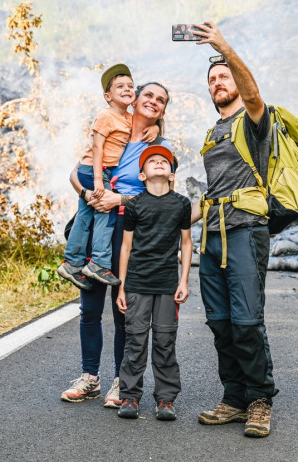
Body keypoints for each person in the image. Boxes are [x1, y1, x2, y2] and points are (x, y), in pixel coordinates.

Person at [189, 22, 276, 438]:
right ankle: (235, 397)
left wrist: (223, 47)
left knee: (246, 320)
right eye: (212, 79)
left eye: (223, 76)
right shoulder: (213, 133)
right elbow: (212, 192)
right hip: (213, 235)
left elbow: (255, 94)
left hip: (246, 231)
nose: (218, 82)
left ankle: (260, 400)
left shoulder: (253, 120)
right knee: (220, 322)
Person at [60, 82, 171, 409]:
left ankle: (122, 381)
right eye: (148, 95)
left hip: (131, 233)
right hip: (99, 226)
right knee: (89, 308)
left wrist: (117, 198)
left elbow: (161, 195)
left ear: (162, 112)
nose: (153, 102)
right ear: (134, 99)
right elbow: (74, 172)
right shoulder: (113, 131)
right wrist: (91, 196)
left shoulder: (159, 145)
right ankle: (89, 378)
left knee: (124, 311)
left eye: (160, 101)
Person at [114, 145, 192, 421]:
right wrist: (121, 286)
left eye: (164, 162)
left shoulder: (182, 204)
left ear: (172, 175)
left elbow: (186, 242)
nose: (159, 163)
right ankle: (130, 396)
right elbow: (126, 247)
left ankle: (166, 400)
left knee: (164, 341)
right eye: (152, 161)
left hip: (168, 285)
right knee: (135, 341)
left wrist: (183, 281)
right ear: (142, 175)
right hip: (136, 284)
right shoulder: (134, 205)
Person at [58, 64, 137, 288]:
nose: (127, 89)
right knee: (105, 213)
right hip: (94, 169)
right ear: (107, 96)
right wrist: (99, 181)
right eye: (120, 86)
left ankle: (72, 263)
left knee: (85, 216)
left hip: (97, 171)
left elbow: (141, 129)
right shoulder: (106, 115)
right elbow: (98, 147)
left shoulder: (128, 118)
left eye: (130, 86)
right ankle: (98, 263)